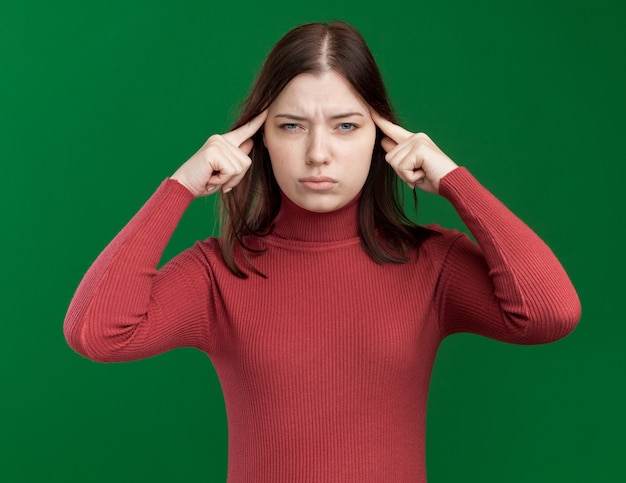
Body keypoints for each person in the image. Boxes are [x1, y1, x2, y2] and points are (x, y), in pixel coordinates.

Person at [64, 21, 581, 482]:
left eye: (345, 125)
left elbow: (550, 313)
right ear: (257, 139)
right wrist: (178, 187)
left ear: (383, 138)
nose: (317, 152)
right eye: (291, 125)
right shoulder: (219, 271)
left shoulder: (430, 264)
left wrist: (453, 181)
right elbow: (96, 333)